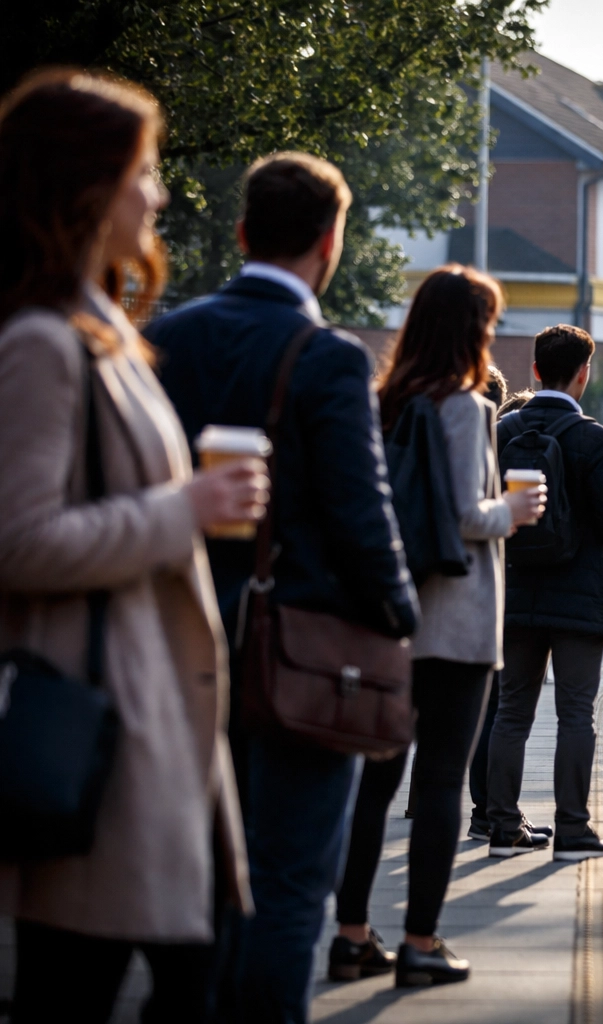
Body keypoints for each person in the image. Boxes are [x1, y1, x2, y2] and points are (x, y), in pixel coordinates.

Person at [0, 70, 264, 1023]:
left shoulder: (100, 328)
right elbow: (20, 541)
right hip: (106, 726)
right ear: (84, 184)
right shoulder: (41, 341)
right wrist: (184, 507)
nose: (155, 194)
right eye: (141, 172)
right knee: (88, 991)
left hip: (154, 718)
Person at [147, 151, 420, 1022]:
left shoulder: (167, 338)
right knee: (291, 877)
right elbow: (361, 515)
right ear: (331, 240)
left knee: (195, 876)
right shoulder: (327, 356)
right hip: (303, 652)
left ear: (240, 233)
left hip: (176, 645)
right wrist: (400, 619)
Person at [330, 266, 545, 987]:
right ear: (473, 330)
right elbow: (463, 515)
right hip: (456, 626)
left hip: (392, 620)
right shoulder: (464, 405)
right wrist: (511, 514)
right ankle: (421, 941)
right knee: (442, 781)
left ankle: (352, 933)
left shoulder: (383, 399)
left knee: (374, 782)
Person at [487, 324, 603, 861]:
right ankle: (572, 829)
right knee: (575, 713)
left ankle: (502, 825)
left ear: (535, 370)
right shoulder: (592, 437)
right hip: (579, 596)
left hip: (515, 589)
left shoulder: (501, 432)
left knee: (511, 710)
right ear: (583, 373)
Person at [468, 386, 536, 841]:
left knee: (489, 708)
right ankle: (495, 813)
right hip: (515, 595)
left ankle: (485, 811)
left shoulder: (489, 448)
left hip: (487, 594)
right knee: (504, 710)